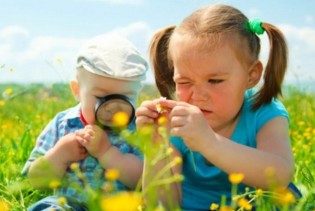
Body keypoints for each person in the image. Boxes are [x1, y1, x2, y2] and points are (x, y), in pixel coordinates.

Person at [136, 4, 300, 210]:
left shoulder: (264, 111)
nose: (198, 96)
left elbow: (281, 175)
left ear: (251, 75)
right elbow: (161, 206)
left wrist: (209, 143)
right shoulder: (175, 122)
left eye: (214, 80)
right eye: (184, 82)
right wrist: (155, 147)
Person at [22, 33, 148, 210]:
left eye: (125, 97)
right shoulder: (63, 123)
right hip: (67, 204)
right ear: (77, 90)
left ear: (138, 93)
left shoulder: (139, 128)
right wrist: (59, 154)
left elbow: (144, 181)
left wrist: (107, 153)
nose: (112, 107)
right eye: (101, 97)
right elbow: (36, 180)